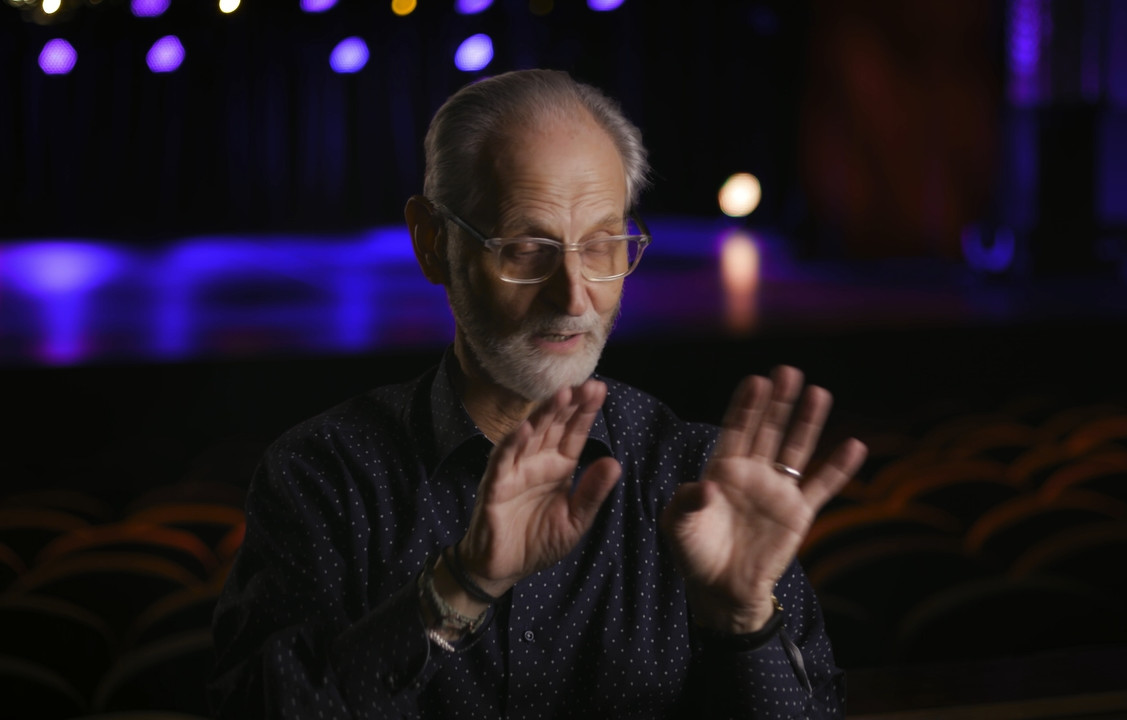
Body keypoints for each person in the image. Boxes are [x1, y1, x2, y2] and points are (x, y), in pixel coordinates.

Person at [209, 68, 866, 719]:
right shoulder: (324, 477)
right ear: (432, 243)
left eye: (603, 245)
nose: (574, 297)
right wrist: (459, 586)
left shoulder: (698, 478)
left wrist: (742, 623)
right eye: (526, 249)